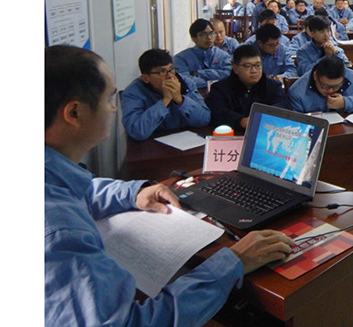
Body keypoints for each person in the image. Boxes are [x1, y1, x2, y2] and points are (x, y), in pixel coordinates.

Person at [45, 45, 293, 326]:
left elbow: (82, 190)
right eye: (109, 98)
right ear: (74, 113)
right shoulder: (61, 235)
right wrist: (233, 261)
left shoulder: (51, 176)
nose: (114, 108)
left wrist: (133, 192)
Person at [121, 49, 211, 141]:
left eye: (171, 69)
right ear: (146, 78)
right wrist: (165, 101)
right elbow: (136, 131)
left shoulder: (185, 83)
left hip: (186, 139)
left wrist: (180, 100)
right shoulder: (133, 92)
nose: (170, 76)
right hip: (152, 143)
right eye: (162, 72)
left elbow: (204, 119)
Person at [206, 45, 290, 131]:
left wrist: (262, 116)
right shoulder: (220, 88)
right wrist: (240, 121)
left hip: (264, 131)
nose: (254, 71)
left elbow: (283, 106)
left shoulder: (273, 86)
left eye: (258, 65)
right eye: (247, 66)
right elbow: (218, 112)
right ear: (235, 68)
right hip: (232, 133)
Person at [289, 56, 353, 113]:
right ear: (315, 76)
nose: (331, 90)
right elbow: (296, 123)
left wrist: (345, 102)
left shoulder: (350, 76)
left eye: (336, 86)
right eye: (325, 86)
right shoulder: (297, 91)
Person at [174, 19, 233, 89]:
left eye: (211, 33)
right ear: (194, 38)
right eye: (203, 34)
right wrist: (210, 83)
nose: (209, 37)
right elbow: (184, 80)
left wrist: (198, 73)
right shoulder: (181, 58)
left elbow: (227, 74)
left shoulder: (223, 56)